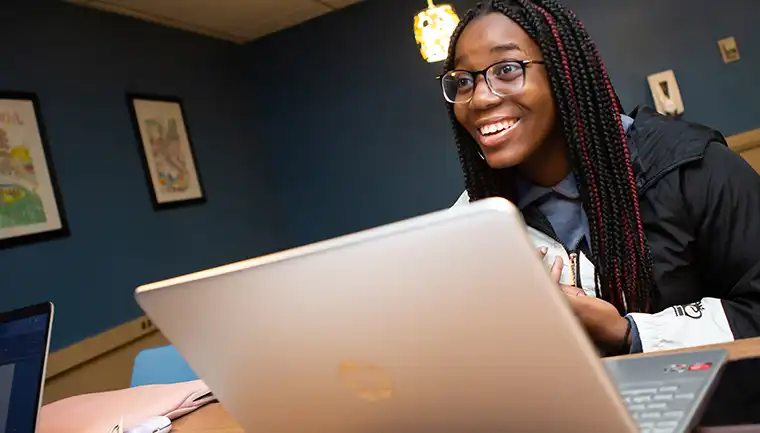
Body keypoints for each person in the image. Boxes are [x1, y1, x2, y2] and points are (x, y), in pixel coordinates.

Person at [443, 0, 760, 355]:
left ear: (565, 73)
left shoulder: (694, 168)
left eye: (506, 69)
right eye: (464, 81)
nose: (480, 98)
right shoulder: (473, 223)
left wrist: (629, 333)